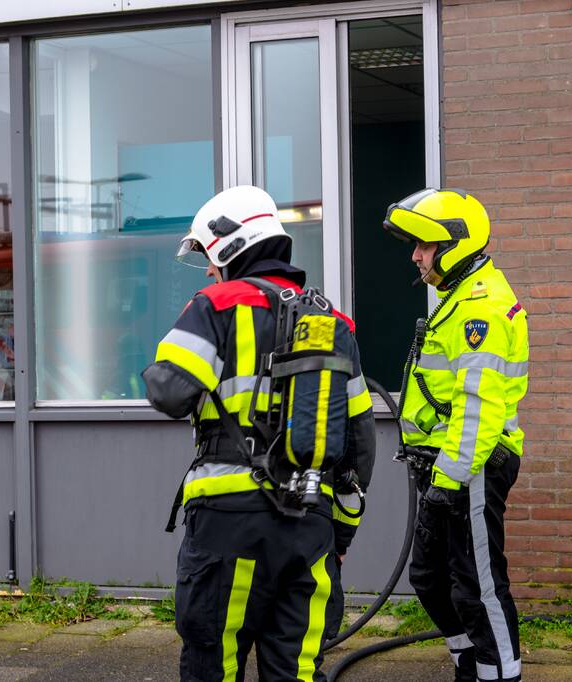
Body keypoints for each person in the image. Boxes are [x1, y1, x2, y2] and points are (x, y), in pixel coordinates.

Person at [142, 185, 376, 682]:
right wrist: (342, 533)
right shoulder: (330, 321)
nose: (207, 268)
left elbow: (169, 392)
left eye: (208, 255)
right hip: (310, 525)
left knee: (215, 663)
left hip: (228, 523)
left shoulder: (215, 303)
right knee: (295, 670)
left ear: (230, 248)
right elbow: (360, 443)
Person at [382, 188, 528, 682]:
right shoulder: (460, 296)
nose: (415, 255)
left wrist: (450, 480)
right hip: (448, 467)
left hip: (471, 467)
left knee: (477, 586)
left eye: (423, 245)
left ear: (453, 245)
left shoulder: (479, 307)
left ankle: (499, 674)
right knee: (429, 577)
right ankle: (473, 662)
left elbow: (478, 406)